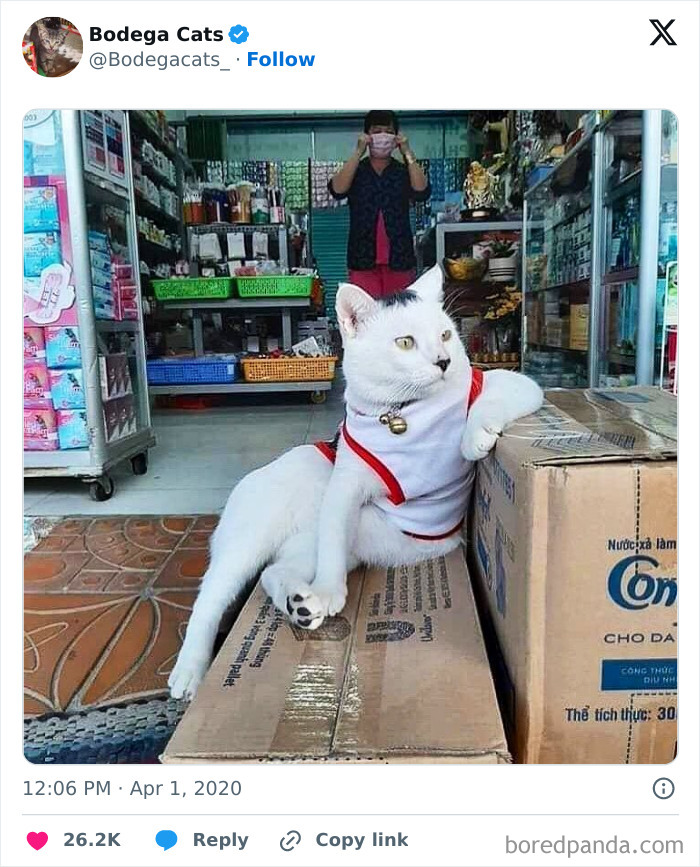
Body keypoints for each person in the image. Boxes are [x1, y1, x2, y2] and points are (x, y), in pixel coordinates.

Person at [329, 110, 431, 299]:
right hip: (362, 258)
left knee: (400, 313)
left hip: (400, 259)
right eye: (376, 131)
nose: (383, 136)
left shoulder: (402, 171)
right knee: (366, 313)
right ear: (366, 136)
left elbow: (422, 192)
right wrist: (358, 152)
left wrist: (407, 152)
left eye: (388, 131)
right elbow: (337, 190)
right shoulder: (356, 171)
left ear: (396, 137)